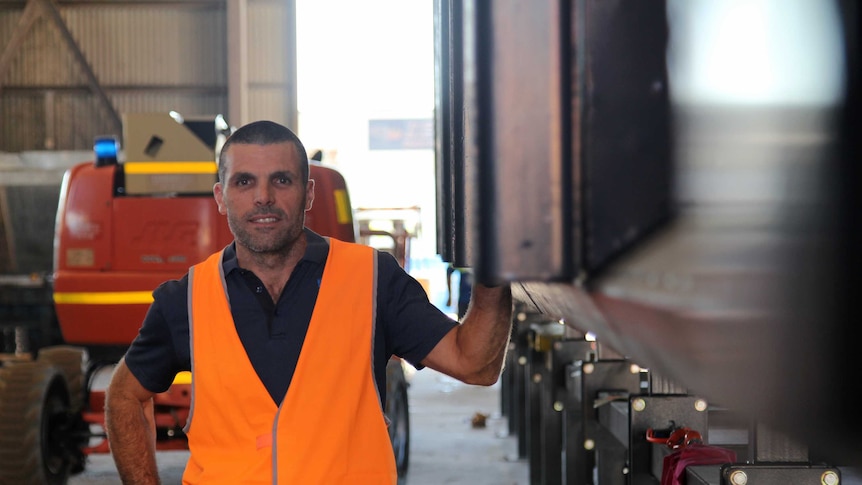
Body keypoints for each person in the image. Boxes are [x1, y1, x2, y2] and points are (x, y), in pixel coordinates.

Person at [104, 120, 513, 484]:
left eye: (281, 180)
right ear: (221, 196)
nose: (263, 197)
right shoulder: (187, 300)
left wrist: (494, 267)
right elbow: (124, 395)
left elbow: (474, 363)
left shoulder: (372, 280)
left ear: (308, 193)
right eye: (244, 182)